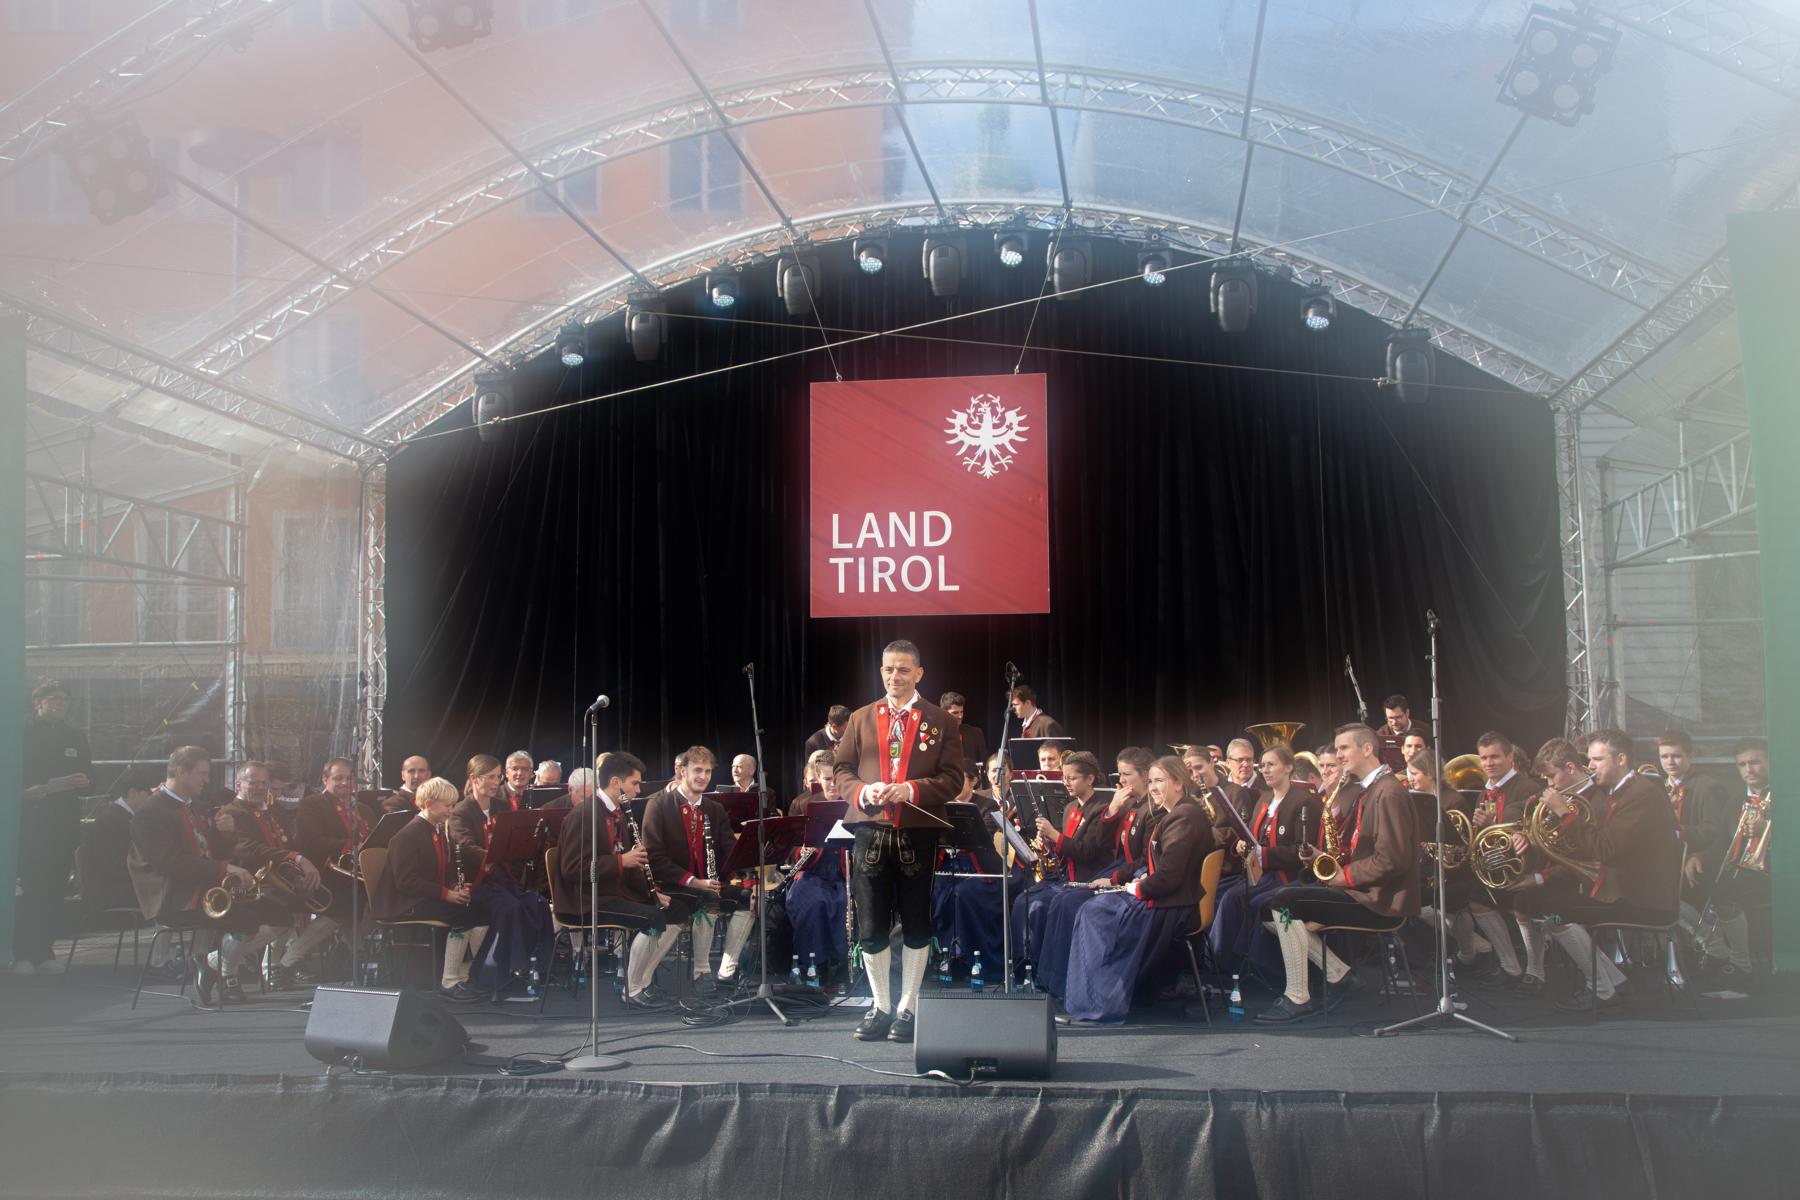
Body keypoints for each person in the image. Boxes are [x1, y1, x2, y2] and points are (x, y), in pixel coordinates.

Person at [836, 639, 965, 1043]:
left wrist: (911, 789)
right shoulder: (860, 717)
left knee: (916, 922)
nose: (896, 676)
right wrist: (862, 791)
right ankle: (881, 1007)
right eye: (889, 669)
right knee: (871, 925)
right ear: (881, 671)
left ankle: (907, 1007)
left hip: (918, 832)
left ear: (919, 673)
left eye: (904, 669)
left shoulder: (941, 720)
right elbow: (841, 770)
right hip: (869, 830)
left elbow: (953, 779)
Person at [1256, 724, 1419, 1024]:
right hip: (1361, 891)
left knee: (1283, 903)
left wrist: (1343, 876)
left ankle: (1298, 997)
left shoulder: (1388, 792)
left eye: (1344, 748)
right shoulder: (1371, 790)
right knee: (1268, 911)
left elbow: (1392, 860)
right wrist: (1322, 858)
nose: (1338, 755)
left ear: (1367, 749)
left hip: (1377, 900)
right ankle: (1338, 975)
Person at [1510, 730, 1682, 1013]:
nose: (1590, 766)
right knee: (1544, 902)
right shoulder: (1622, 791)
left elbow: (1604, 849)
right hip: (1625, 887)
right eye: (1590, 759)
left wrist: (1565, 814)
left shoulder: (1642, 794)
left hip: (1642, 897)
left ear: (1621, 759)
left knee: (1556, 911)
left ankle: (1601, 990)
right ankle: (1615, 981)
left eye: (1597, 760)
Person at [127, 747, 290, 1007]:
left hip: (204, 888)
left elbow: (213, 852)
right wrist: (225, 869)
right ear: (181, 772)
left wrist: (226, 834)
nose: (207, 780)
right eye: (202, 774)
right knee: (246, 920)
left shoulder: (194, 807)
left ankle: (211, 963)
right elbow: (170, 864)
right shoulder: (150, 813)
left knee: (280, 913)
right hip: (174, 897)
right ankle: (217, 967)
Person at [1059, 756, 1216, 1025]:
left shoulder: (1184, 816)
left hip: (1173, 905)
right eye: (1151, 781)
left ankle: (1101, 1002)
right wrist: (1137, 881)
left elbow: (1169, 877)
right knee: (1094, 907)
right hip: (1171, 897)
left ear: (1178, 783)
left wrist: (1136, 888)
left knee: (1094, 913)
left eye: (1159, 781)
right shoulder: (1178, 813)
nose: (1153, 787)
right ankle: (1095, 997)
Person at [559, 752, 691, 1011]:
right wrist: (621, 861)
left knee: (677, 910)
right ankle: (632, 990)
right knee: (652, 918)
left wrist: (652, 893)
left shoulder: (618, 812)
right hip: (588, 899)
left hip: (615, 892)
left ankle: (643, 981)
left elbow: (631, 866)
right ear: (616, 782)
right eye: (635, 783)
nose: (638, 790)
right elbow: (572, 870)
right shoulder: (584, 815)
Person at [1035, 748, 1158, 1000]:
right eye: (1119, 774)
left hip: (1132, 878)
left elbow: (1140, 860)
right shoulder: (1130, 804)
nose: (1121, 781)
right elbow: (1107, 840)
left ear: (1145, 775)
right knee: (1057, 900)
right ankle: (1049, 979)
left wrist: (1113, 879)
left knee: (1068, 901)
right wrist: (1112, 811)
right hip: (1120, 871)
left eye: (1127, 774)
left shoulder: (1152, 811)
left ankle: (1065, 983)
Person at [643, 746, 756, 991]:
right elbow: (655, 858)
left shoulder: (714, 809)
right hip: (672, 884)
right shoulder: (658, 805)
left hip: (707, 883)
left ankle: (726, 971)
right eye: (697, 770)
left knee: (748, 899)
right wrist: (692, 881)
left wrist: (750, 870)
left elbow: (730, 850)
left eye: (707, 771)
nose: (703, 776)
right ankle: (701, 971)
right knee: (707, 897)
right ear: (682, 771)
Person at [219, 761, 339, 991]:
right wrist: (295, 858)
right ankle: (223, 962)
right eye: (253, 783)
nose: (260, 788)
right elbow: (247, 849)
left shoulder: (272, 811)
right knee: (279, 916)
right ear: (238, 784)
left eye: (264, 783)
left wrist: (303, 865)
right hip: (247, 883)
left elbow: (289, 843)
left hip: (276, 880)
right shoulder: (232, 812)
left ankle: (270, 965)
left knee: (305, 909)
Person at [370, 777, 491, 999]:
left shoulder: (437, 829)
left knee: (482, 910)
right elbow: (406, 882)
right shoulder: (407, 835)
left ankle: (466, 975)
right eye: (447, 806)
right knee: (461, 914)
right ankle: (449, 981)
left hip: (423, 896)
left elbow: (443, 870)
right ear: (428, 804)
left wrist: (455, 887)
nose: (451, 810)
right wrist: (446, 894)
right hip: (405, 903)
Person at [1209, 744, 1323, 977]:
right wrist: (1241, 845)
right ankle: (1224, 964)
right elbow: (1251, 835)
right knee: (1230, 898)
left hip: (1287, 876)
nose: (1265, 770)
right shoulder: (1264, 798)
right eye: (1263, 766)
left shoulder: (1304, 802)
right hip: (1261, 873)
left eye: (1271, 765)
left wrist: (1264, 854)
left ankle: (1260, 968)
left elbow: (1303, 851)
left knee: (1252, 902)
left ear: (1288, 767)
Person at [448, 754, 553, 994]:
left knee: (535, 903)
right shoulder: (462, 811)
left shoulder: (501, 807)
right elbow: (465, 845)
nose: (496, 782)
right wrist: (493, 854)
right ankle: (500, 971)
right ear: (474, 778)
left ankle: (538, 963)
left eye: (497, 777)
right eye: (490, 777)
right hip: (478, 881)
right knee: (510, 907)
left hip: (502, 878)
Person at [1013, 752, 1123, 967]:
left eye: (1072, 778)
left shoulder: (1102, 808)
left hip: (1087, 877)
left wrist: (1055, 835)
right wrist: (1047, 843)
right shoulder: (1070, 808)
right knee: (1022, 901)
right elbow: (1064, 849)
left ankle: (1045, 966)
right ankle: (1024, 963)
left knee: (1040, 905)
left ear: (1090, 779)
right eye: (1064, 778)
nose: (1066, 783)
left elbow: (1087, 852)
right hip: (1064, 876)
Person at [15, 680, 91, 974]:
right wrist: (26, 793)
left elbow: (90, 777)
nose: (61, 704)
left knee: (55, 888)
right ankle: (21, 952)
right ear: (38, 702)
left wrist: (83, 781)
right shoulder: (22, 733)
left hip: (63, 823)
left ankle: (45, 950)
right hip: (31, 823)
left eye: (65, 699)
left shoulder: (75, 736)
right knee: (30, 888)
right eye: (54, 699)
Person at [1692, 738, 1774, 990]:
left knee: (1723, 892)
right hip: (1741, 871)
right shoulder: (1735, 801)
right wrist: (1700, 857)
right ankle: (1716, 951)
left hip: (1773, 873)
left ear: (1769, 761)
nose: (1749, 769)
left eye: (1755, 762)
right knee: (1691, 885)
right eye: (1742, 764)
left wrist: (1767, 829)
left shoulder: (1786, 796)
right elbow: (1721, 842)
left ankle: (1741, 964)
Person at [1464, 731, 1540, 990]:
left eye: (1495, 757)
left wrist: (1492, 824)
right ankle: (1510, 967)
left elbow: (1533, 832)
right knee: (1477, 900)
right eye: (1484, 758)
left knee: (1523, 904)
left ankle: (1535, 972)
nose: (1489, 763)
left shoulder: (1528, 788)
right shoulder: (1484, 792)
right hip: (1498, 869)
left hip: (1526, 869)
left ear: (1510, 758)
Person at [781, 750, 850, 987]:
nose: (832, 785)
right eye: (827, 779)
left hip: (845, 871)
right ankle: (813, 967)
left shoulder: (855, 804)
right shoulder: (803, 804)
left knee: (844, 902)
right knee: (810, 902)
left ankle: (842, 968)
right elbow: (788, 848)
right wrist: (802, 851)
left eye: (836, 779)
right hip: (812, 871)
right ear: (818, 779)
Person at [295, 758, 369, 925]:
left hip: (362, 874)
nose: (345, 782)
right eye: (338, 778)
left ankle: (351, 940)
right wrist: (352, 846)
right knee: (348, 903)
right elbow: (313, 842)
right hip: (327, 874)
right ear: (325, 779)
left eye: (349, 778)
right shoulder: (312, 804)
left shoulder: (364, 809)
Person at [79, 767, 159, 915]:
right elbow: (114, 867)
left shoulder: (125, 817)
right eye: (149, 794)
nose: (152, 800)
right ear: (133, 792)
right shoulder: (109, 821)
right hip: (112, 892)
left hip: (124, 886)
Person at [939, 692, 988, 789]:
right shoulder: (935, 734)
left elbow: (984, 764)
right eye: (955, 713)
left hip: (972, 788)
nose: (960, 716)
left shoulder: (975, 733)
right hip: (945, 787)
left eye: (961, 712)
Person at [1221, 739, 1260, 809]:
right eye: (1240, 760)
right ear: (1228, 763)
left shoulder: (1266, 789)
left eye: (1249, 760)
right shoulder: (1220, 788)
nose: (1245, 765)